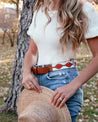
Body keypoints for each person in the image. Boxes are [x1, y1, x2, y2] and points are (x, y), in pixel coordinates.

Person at [22, 0, 98, 121]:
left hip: (63, 82)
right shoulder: (41, 9)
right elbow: (32, 52)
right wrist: (26, 73)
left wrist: (74, 86)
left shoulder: (84, 8)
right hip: (37, 86)